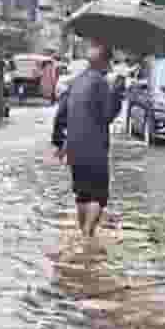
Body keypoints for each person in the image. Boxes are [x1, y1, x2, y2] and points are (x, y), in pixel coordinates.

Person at [51, 41, 121, 239]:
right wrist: (117, 90)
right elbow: (107, 115)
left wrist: (59, 143)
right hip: (94, 148)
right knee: (98, 196)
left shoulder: (76, 82)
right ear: (105, 62)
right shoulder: (100, 83)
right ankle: (88, 235)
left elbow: (60, 115)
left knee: (82, 194)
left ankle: (83, 232)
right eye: (110, 62)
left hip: (73, 148)